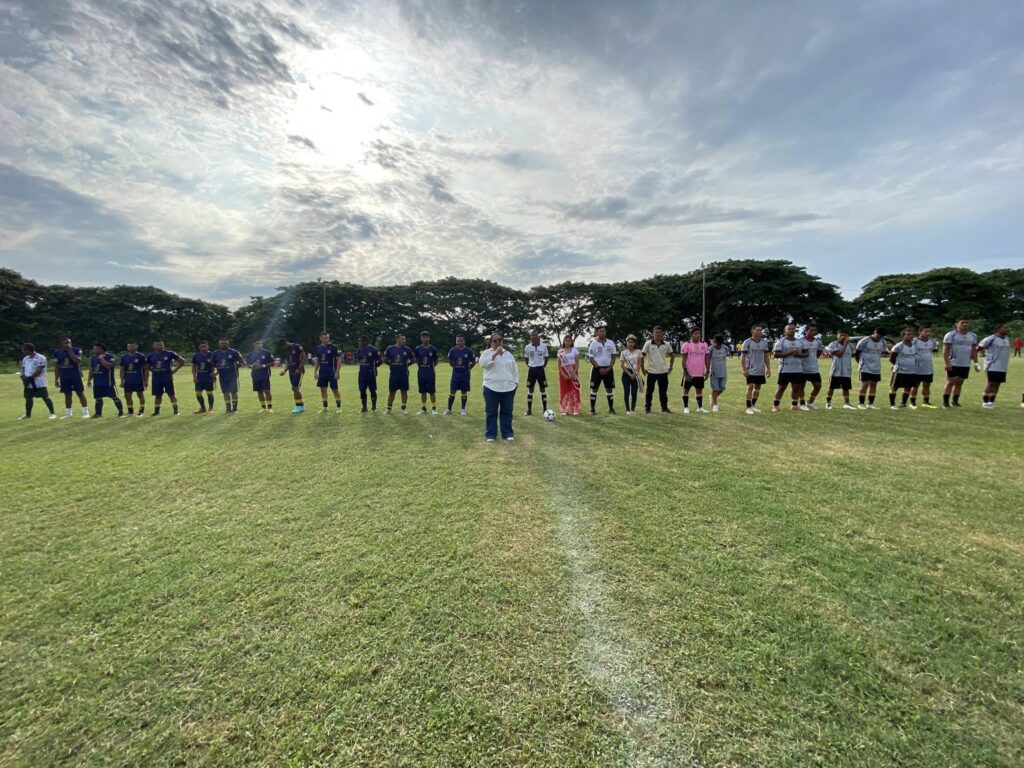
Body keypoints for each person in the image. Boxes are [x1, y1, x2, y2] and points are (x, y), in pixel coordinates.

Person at [479, 331, 519, 441]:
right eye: (494, 341)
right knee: (491, 412)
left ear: (502, 341)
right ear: (491, 342)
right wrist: (495, 354)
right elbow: (482, 364)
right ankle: (490, 435)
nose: (497, 342)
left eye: (499, 340)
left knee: (507, 412)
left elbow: (514, 369)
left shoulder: (508, 354)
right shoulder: (487, 353)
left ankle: (507, 434)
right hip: (491, 387)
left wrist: (515, 382)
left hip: (508, 388)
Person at [942, 318, 978, 408]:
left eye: (966, 323)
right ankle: (945, 402)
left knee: (960, 382)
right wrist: (947, 363)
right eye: (962, 323)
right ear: (956, 324)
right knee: (950, 382)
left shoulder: (973, 336)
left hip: (965, 363)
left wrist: (976, 363)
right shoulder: (951, 335)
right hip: (953, 362)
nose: (965, 324)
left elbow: (974, 350)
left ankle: (955, 402)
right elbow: (945, 350)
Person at [772, 324, 805, 412]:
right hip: (785, 368)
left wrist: (799, 354)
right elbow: (776, 354)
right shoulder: (781, 341)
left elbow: (806, 353)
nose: (791, 330)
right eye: (789, 329)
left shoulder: (799, 342)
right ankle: (775, 406)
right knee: (782, 387)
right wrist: (789, 352)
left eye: (793, 329)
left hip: (798, 368)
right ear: (785, 331)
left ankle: (794, 405)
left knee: (796, 387)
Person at [18, 343, 56, 420]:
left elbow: (39, 370)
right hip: (28, 383)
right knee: (28, 398)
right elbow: (23, 369)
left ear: (28, 350)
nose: (23, 351)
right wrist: (23, 377)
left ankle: (52, 413)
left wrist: (30, 378)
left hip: (39, 382)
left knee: (45, 397)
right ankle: (28, 415)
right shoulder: (25, 359)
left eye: (24, 350)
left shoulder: (40, 358)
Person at [53, 337, 89, 419]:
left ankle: (85, 413)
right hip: (64, 377)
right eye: (66, 343)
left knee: (80, 393)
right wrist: (56, 379)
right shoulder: (57, 352)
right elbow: (57, 367)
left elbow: (77, 361)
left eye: (69, 342)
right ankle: (68, 414)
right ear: (62, 344)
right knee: (67, 395)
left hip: (75, 376)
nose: (68, 344)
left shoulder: (77, 350)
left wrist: (70, 351)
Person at [146, 340, 185, 416]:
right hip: (156, 378)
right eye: (157, 345)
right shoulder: (150, 355)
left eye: (160, 345)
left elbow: (182, 361)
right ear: (154, 346)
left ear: (163, 345)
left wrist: (175, 370)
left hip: (167, 377)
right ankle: (156, 411)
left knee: (171, 394)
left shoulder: (170, 353)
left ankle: (176, 411)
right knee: (158, 395)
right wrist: (153, 370)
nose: (159, 346)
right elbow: (147, 366)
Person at [640, 325, 673, 413]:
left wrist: (670, 367)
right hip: (651, 372)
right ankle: (647, 408)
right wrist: (642, 368)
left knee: (663, 392)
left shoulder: (666, 344)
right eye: (656, 332)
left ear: (662, 334)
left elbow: (672, 355)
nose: (657, 334)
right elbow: (642, 356)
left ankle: (664, 408)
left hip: (663, 372)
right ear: (653, 333)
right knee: (649, 392)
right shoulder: (648, 343)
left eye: (659, 332)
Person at [88, 343, 125, 418]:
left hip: (108, 382)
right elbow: (91, 369)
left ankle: (121, 412)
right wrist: (89, 380)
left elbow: (109, 366)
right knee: (98, 398)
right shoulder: (94, 358)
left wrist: (101, 359)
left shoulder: (110, 357)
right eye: (93, 349)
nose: (94, 350)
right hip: (97, 382)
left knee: (114, 397)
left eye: (95, 349)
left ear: (101, 349)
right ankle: (98, 413)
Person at [979, 323, 1011, 408]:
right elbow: (979, 347)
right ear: (998, 329)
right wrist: (982, 353)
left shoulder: (1007, 339)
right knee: (990, 383)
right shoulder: (991, 338)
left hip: (1003, 366)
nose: (1007, 329)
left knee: (998, 384)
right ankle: (985, 402)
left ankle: (991, 401)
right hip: (992, 365)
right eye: (1005, 328)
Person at [854, 328, 887, 409]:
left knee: (874, 384)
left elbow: (882, 352)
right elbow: (857, 353)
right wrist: (860, 363)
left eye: (881, 336)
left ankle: (870, 404)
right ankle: (861, 404)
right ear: (874, 332)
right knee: (865, 384)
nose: (879, 337)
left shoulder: (883, 341)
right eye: (878, 335)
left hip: (876, 366)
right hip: (865, 366)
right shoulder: (865, 340)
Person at [740, 324, 770, 414]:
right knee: (750, 387)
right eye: (758, 330)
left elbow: (766, 356)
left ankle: (753, 405)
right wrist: (744, 369)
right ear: (752, 331)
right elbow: (743, 357)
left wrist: (768, 368)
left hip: (760, 369)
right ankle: (748, 407)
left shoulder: (764, 342)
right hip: (750, 369)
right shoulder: (747, 342)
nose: (760, 332)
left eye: (760, 330)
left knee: (757, 388)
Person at [587, 326, 617, 414]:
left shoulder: (611, 343)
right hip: (597, 369)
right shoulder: (593, 344)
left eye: (604, 331)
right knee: (594, 389)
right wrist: (598, 368)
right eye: (600, 331)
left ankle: (611, 409)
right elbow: (591, 358)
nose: (602, 333)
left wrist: (609, 367)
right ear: (597, 333)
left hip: (608, 369)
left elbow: (613, 356)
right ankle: (592, 409)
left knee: (609, 389)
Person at [679, 327, 709, 414]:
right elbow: (683, 360)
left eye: (699, 333)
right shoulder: (686, 345)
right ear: (691, 334)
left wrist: (707, 370)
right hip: (689, 373)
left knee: (699, 390)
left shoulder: (704, 344)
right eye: (696, 333)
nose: (698, 335)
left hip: (700, 373)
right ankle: (686, 407)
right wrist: (685, 372)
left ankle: (700, 407)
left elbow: (707, 358)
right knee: (686, 390)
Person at [383, 334, 415, 414]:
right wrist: (391, 365)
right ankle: (389, 409)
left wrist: (406, 365)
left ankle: (403, 408)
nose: (404, 340)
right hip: (394, 374)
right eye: (403, 339)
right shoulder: (390, 349)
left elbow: (413, 360)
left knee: (404, 391)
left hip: (404, 374)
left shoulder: (407, 349)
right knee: (392, 392)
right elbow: (385, 359)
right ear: (397, 339)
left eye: (405, 339)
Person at [445, 334, 476, 415]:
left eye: (461, 340)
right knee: (452, 391)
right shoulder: (452, 350)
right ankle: (449, 409)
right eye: (458, 340)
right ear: (456, 341)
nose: (459, 342)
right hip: (455, 374)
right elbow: (450, 361)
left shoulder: (468, 351)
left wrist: (468, 368)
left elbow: (473, 361)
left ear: (464, 341)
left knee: (464, 392)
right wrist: (455, 367)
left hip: (465, 375)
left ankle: (463, 409)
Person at [887, 328, 919, 409]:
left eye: (912, 334)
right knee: (894, 387)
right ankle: (892, 405)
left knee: (908, 387)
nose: (911, 336)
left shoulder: (914, 346)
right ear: (903, 336)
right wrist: (898, 365)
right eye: (908, 334)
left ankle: (903, 404)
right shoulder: (898, 346)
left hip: (911, 371)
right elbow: (891, 359)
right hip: (899, 371)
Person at [825, 330, 856, 409]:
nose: (843, 337)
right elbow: (839, 354)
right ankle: (828, 403)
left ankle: (847, 403)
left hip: (847, 370)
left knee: (846, 388)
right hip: (836, 370)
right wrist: (845, 345)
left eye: (845, 335)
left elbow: (853, 354)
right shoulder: (833, 344)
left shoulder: (850, 345)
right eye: (841, 335)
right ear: (837, 336)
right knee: (831, 387)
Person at [313, 331, 342, 412]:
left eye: (328, 338)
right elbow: (317, 361)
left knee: (335, 390)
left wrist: (337, 372)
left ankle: (339, 407)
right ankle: (325, 407)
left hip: (332, 373)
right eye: (325, 338)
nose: (327, 340)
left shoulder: (334, 347)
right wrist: (315, 372)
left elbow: (339, 360)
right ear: (321, 338)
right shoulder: (318, 348)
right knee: (323, 390)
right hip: (322, 373)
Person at [213, 338, 243, 414]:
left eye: (225, 343)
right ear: (219, 344)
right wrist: (215, 372)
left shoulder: (234, 352)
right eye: (221, 343)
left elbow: (242, 361)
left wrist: (238, 366)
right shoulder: (215, 353)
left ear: (228, 344)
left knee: (233, 392)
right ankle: (228, 409)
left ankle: (235, 409)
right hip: (222, 376)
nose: (223, 344)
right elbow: (213, 364)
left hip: (232, 375)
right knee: (225, 392)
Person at [523, 330, 550, 416]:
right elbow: (526, 358)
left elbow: (546, 357)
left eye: (535, 335)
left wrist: (543, 366)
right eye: (532, 335)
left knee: (543, 389)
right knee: (530, 389)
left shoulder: (543, 346)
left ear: (538, 337)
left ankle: (545, 409)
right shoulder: (527, 347)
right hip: (532, 370)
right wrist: (530, 366)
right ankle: (529, 410)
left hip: (540, 369)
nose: (534, 337)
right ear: (530, 337)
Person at [911, 326, 938, 409]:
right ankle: (912, 403)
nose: (928, 333)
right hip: (917, 368)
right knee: (915, 385)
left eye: (929, 331)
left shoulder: (932, 342)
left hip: (928, 367)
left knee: (927, 385)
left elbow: (933, 351)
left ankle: (926, 402)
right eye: (926, 331)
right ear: (920, 332)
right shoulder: (914, 342)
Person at [278, 338, 307, 413]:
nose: (283, 349)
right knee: (294, 388)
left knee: (295, 388)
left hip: (298, 371)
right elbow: (289, 362)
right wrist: (285, 370)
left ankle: (299, 406)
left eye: (283, 347)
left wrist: (299, 368)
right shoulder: (287, 350)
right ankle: (300, 405)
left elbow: (304, 359)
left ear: (285, 343)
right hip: (291, 371)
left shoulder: (297, 346)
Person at [354, 336, 382, 412]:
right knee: (362, 390)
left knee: (372, 390)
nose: (359, 342)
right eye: (359, 341)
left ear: (365, 341)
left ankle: (374, 407)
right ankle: (364, 407)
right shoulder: (359, 350)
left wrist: (374, 366)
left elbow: (380, 360)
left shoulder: (374, 349)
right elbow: (359, 360)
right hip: (362, 374)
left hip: (371, 374)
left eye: (360, 341)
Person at [799, 324, 823, 409]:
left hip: (814, 368)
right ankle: (802, 404)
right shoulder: (800, 341)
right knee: (801, 386)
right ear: (806, 331)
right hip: (802, 368)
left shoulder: (818, 342)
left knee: (818, 386)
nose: (813, 332)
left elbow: (818, 354)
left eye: (815, 330)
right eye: (811, 330)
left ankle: (809, 402)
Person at [246, 339, 275, 412]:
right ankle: (263, 407)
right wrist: (252, 365)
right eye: (258, 343)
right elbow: (248, 364)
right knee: (259, 391)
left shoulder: (267, 352)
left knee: (267, 391)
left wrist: (263, 366)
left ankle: (269, 408)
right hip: (255, 375)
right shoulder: (250, 354)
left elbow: (272, 362)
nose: (260, 345)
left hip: (265, 374)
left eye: (261, 343)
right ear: (254, 344)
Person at [120, 342, 148, 416]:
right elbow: (122, 369)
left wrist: (146, 380)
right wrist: (122, 380)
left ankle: (141, 410)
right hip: (128, 380)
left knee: (140, 395)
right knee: (127, 395)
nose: (130, 348)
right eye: (128, 346)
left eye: (132, 346)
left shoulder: (141, 356)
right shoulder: (124, 357)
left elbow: (145, 369)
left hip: (138, 380)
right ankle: (130, 411)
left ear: (136, 347)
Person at [415, 331, 439, 415]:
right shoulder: (418, 349)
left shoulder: (433, 349)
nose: (425, 339)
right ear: (421, 338)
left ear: (429, 338)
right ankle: (423, 408)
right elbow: (417, 360)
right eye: (423, 337)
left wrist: (430, 367)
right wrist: (422, 367)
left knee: (432, 392)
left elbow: (436, 361)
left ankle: (434, 408)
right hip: (421, 373)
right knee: (423, 391)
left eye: (427, 337)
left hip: (430, 374)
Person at [557, 336, 582, 415]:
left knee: (574, 389)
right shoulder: (560, 351)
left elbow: (577, 363)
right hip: (564, 372)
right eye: (566, 341)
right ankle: (564, 410)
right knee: (564, 390)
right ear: (564, 342)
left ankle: (575, 409)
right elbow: (559, 365)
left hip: (573, 371)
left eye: (569, 341)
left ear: (571, 342)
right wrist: (563, 374)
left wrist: (573, 373)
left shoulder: (575, 350)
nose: (568, 342)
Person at [619, 335, 643, 414]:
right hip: (626, 373)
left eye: (632, 342)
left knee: (634, 392)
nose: (630, 344)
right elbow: (622, 365)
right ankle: (627, 410)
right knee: (627, 392)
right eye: (629, 342)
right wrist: (630, 374)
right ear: (626, 343)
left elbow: (640, 363)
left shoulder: (639, 352)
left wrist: (635, 373)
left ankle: (633, 409)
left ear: (634, 343)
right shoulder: (623, 353)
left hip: (635, 373)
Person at [191, 340, 216, 414]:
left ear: (208, 346)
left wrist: (215, 373)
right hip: (199, 377)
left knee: (209, 393)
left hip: (209, 378)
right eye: (202, 346)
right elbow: (194, 367)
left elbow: (217, 365)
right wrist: (194, 376)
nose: (204, 348)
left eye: (205, 346)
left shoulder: (212, 354)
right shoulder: (196, 355)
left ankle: (211, 408)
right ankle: (202, 408)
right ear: (199, 347)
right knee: (198, 393)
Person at [708, 334, 729, 412]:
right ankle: (715, 405)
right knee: (715, 389)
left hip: (723, 371)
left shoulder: (725, 348)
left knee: (722, 388)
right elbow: (708, 359)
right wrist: (708, 369)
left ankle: (712, 397)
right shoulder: (711, 348)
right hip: (714, 372)